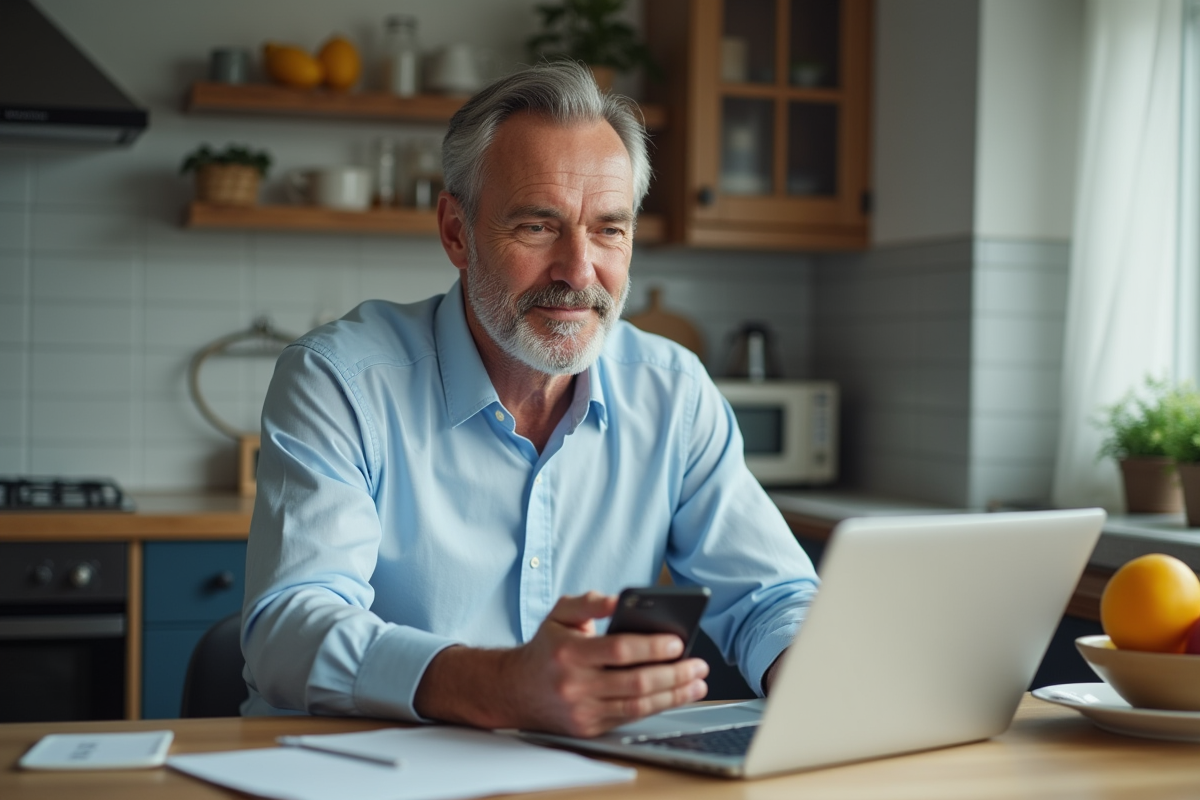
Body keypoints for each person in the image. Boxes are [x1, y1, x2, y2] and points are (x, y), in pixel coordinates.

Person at [240, 61, 819, 737]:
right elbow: (290, 626)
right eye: (539, 227)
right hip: (362, 767)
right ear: (457, 232)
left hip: (589, 772)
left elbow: (772, 596)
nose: (578, 271)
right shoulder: (340, 380)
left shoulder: (674, 390)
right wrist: (496, 687)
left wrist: (818, 680)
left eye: (609, 229)